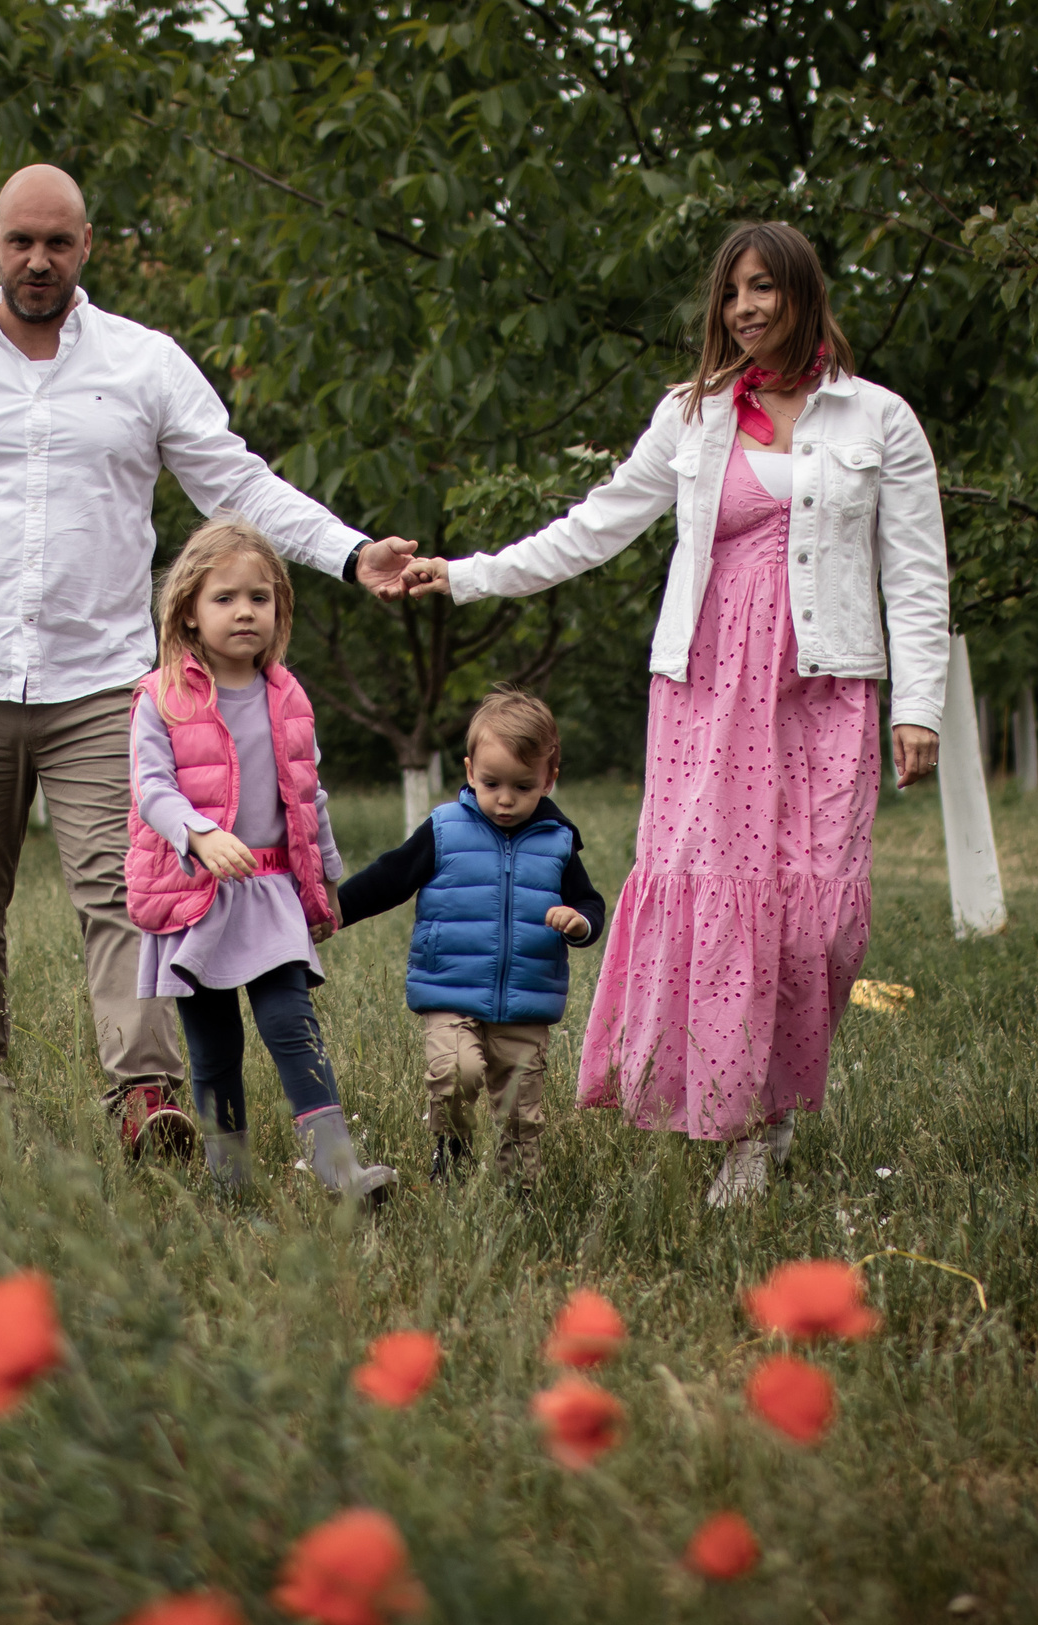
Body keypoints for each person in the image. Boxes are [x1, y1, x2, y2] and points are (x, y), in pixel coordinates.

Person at [0, 164, 417, 1152]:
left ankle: (145, 1096)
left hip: (106, 687)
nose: (37, 260)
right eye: (19, 242)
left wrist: (348, 550)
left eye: (58, 242)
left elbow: (235, 482)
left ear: (87, 245)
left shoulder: (144, 363)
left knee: (127, 894)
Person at [403, 221, 950, 1206]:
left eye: (764, 289)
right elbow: (595, 526)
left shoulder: (878, 420)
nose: (745, 308)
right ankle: (748, 1128)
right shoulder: (691, 416)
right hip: (709, 691)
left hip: (827, 688)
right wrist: (469, 575)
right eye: (732, 292)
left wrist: (920, 709)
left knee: (817, 917)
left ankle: (774, 1099)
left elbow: (915, 573)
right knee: (727, 905)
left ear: (801, 294)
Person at [124, 515, 396, 1200]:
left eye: (260, 597)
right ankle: (230, 1185)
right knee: (215, 1052)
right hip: (198, 895)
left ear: (279, 609)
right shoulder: (163, 697)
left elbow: (309, 792)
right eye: (224, 598)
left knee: (291, 1026)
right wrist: (199, 835)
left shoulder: (288, 694)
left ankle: (340, 1170)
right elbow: (150, 787)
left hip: (272, 889)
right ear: (188, 611)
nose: (245, 611)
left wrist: (328, 878)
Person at [335, 687, 607, 1186]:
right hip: (450, 991)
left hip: (526, 1004)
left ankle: (517, 1195)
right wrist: (331, 912)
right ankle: (453, 1146)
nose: (505, 799)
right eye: (491, 783)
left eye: (524, 787)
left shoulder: (559, 842)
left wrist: (580, 921)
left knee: (521, 1114)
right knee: (455, 1074)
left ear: (550, 779)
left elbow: (590, 903)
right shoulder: (445, 829)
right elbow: (388, 879)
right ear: (468, 771)